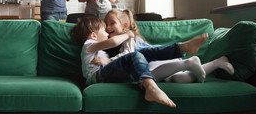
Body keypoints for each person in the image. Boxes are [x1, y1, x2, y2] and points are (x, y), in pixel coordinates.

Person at [70, 17, 208, 108]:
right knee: (134, 55)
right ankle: (151, 87)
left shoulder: (94, 48)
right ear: (94, 35)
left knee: (145, 53)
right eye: (104, 31)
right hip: (96, 78)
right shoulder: (88, 44)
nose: (107, 33)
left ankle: (182, 48)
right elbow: (112, 42)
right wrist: (128, 34)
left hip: (105, 75)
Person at [98, 9, 235, 83]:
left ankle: (187, 62)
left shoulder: (128, 36)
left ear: (125, 26)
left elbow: (128, 55)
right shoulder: (124, 40)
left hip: (159, 60)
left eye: (112, 23)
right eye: (106, 24)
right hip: (166, 63)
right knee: (178, 79)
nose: (108, 27)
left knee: (148, 78)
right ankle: (217, 63)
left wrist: (108, 61)